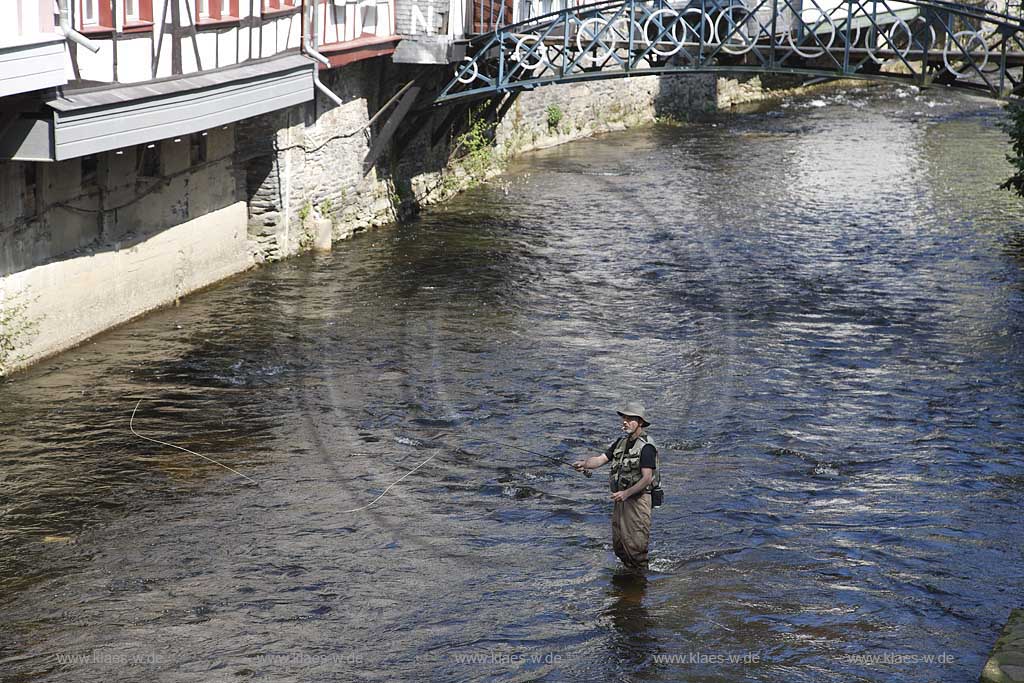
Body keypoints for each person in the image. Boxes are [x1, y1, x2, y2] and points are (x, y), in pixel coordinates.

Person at [573, 402, 660, 570]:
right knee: (619, 545)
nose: (625, 422)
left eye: (630, 419)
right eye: (624, 418)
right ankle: (629, 584)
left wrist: (626, 493)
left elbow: (647, 478)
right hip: (621, 499)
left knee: (636, 547)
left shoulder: (647, 447)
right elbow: (601, 459)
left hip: (638, 501)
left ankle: (640, 587)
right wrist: (584, 464)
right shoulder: (620, 442)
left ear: (640, 422)